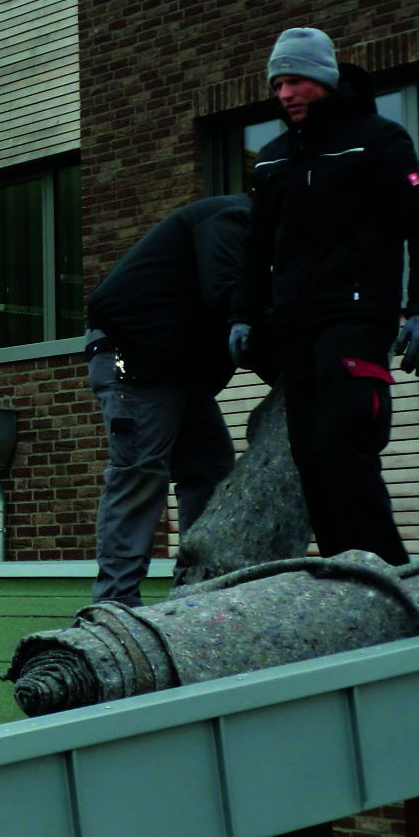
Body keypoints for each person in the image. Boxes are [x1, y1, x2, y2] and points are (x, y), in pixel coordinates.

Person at [228, 27, 419, 565]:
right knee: (309, 459)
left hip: (356, 320)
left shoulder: (378, 139)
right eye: (277, 83)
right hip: (294, 330)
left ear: (324, 80)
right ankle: (346, 580)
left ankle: (388, 574)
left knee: (340, 444)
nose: (284, 94)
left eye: (296, 80)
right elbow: (256, 246)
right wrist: (243, 316)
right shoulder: (273, 159)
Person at [84, 194, 257, 605]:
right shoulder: (235, 219)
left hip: (178, 366)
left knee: (210, 466)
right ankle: (116, 603)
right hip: (136, 355)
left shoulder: (257, 235)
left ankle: (198, 588)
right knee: (140, 470)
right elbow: (226, 298)